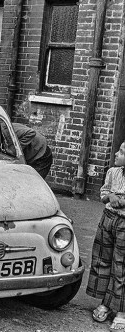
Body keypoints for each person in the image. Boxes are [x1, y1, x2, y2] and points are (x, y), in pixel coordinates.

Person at [87, 141, 125, 332]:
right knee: (103, 261)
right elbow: (103, 193)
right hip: (108, 219)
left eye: (121, 152)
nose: (116, 154)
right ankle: (107, 303)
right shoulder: (113, 172)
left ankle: (121, 312)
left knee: (121, 266)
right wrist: (110, 197)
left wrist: (122, 201)